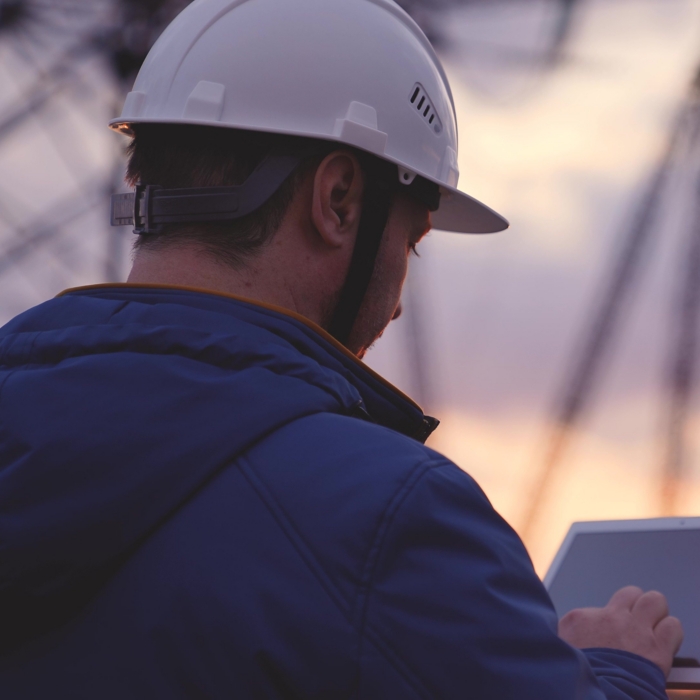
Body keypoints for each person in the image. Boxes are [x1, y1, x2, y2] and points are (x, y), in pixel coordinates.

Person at [0, 0, 682, 697]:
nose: (398, 302)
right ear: (340, 199)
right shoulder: (390, 517)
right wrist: (618, 671)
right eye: (410, 244)